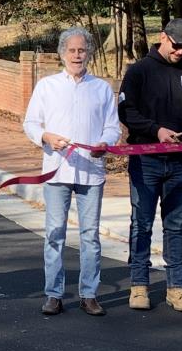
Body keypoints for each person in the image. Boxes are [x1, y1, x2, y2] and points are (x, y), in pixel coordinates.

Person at [22, 27, 121, 315]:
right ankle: (53, 294)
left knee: (90, 235)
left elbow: (113, 126)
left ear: (89, 53)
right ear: (63, 53)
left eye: (82, 50)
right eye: (72, 50)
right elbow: (31, 123)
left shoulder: (101, 88)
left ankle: (89, 294)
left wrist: (107, 142)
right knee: (55, 233)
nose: (77, 55)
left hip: (91, 171)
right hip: (57, 170)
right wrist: (46, 138)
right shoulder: (46, 86)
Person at [118, 18, 182, 312]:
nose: (181, 52)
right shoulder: (139, 72)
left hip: (181, 163)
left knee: (175, 225)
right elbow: (126, 110)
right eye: (177, 45)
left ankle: (176, 287)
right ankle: (139, 285)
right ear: (163, 37)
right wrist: (155, 130)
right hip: (146, 160)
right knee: (142, 223)